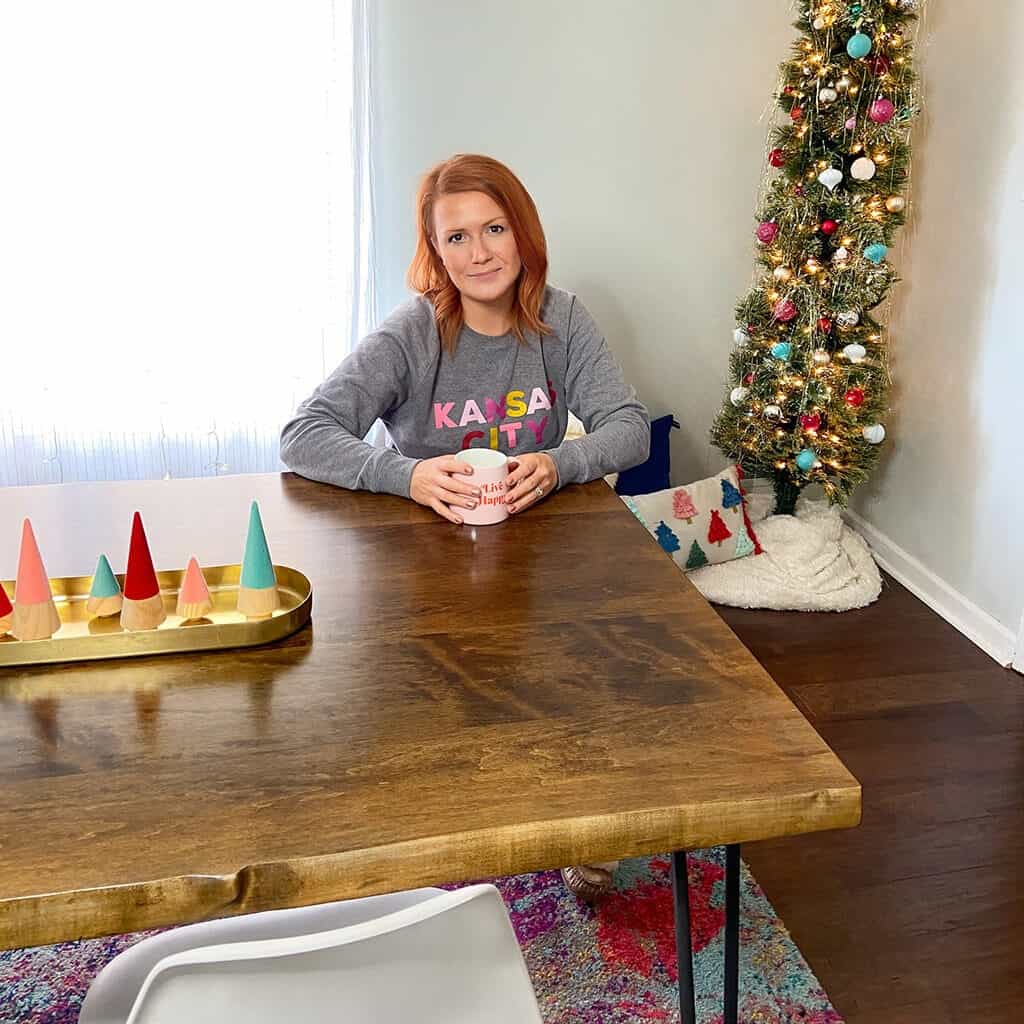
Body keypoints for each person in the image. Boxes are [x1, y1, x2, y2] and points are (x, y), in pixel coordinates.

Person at [280, 153, 650, 897]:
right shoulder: (414, 331)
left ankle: (577, 825)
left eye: (493, 228)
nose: (479, 253)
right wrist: (408, 474)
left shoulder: (562, 319)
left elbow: (630, 428)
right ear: (434, 250)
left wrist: (560, 461)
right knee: (430, 717)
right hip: (425, 563)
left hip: (536, 557)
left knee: (588, 674)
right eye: (456, 237)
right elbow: (303, 433)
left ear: (522, 231)